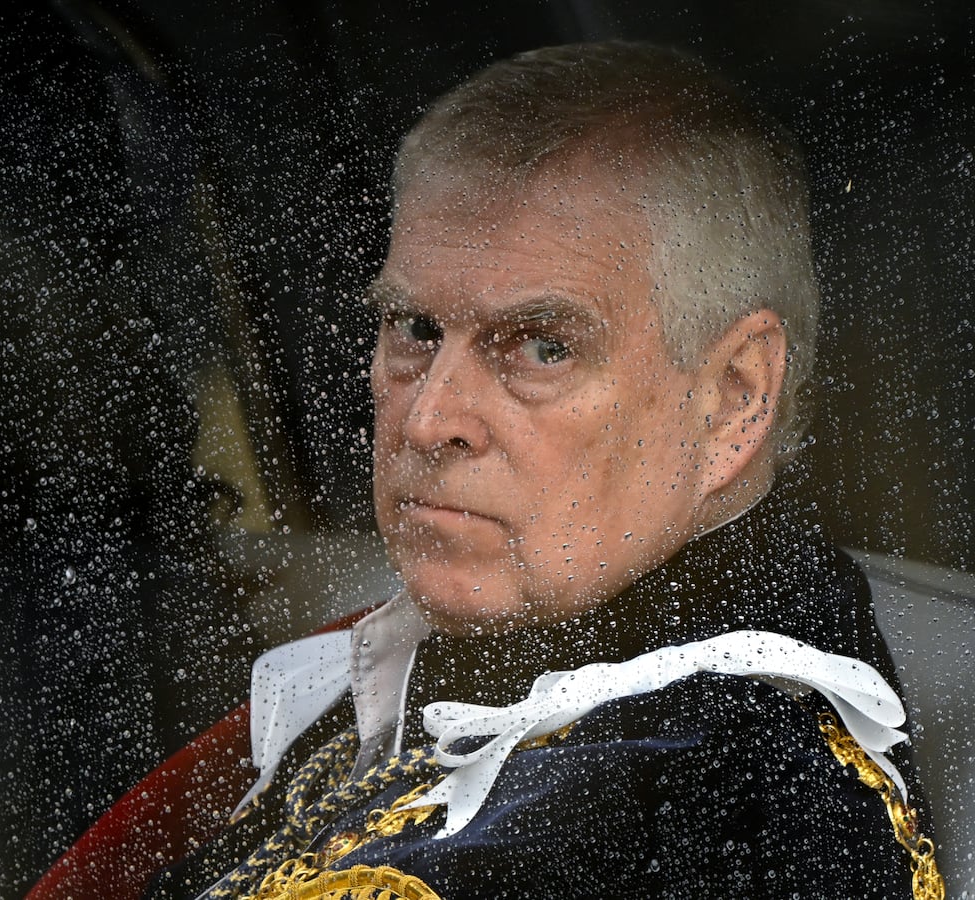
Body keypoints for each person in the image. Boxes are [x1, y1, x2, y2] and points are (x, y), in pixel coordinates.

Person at [131, 42, 943, 899]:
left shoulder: (733, 802)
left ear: (732, 397)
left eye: (543, 347)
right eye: (413, 328)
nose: (428, 418)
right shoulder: (485, 659)